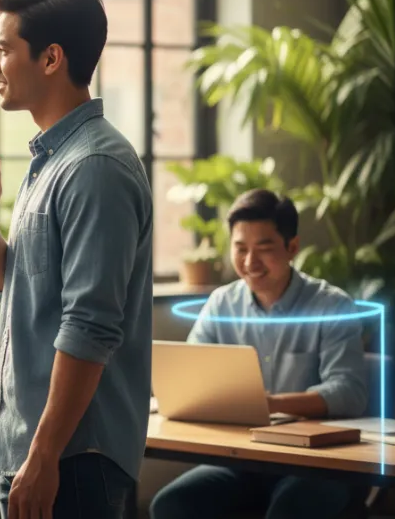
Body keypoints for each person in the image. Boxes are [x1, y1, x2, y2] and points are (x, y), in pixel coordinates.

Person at [0, 0, 153, 519]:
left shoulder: (95, 168)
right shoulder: (54, 160)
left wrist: (44, 455)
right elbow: (22, 294)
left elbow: (90, 326)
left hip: (71, 458)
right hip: (39, 450)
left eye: (3, 49)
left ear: (52, 58)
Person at [150, 188, 367, 519]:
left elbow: (349, 392)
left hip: (317, 464)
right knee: (171, 506)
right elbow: (190, 373)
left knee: (289, 509)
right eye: (240, 249)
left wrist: (272, 403)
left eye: (264, 249)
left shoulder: (331, 305)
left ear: (292, 247)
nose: (250, 262)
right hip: (243, 459)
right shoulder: (222, 304)